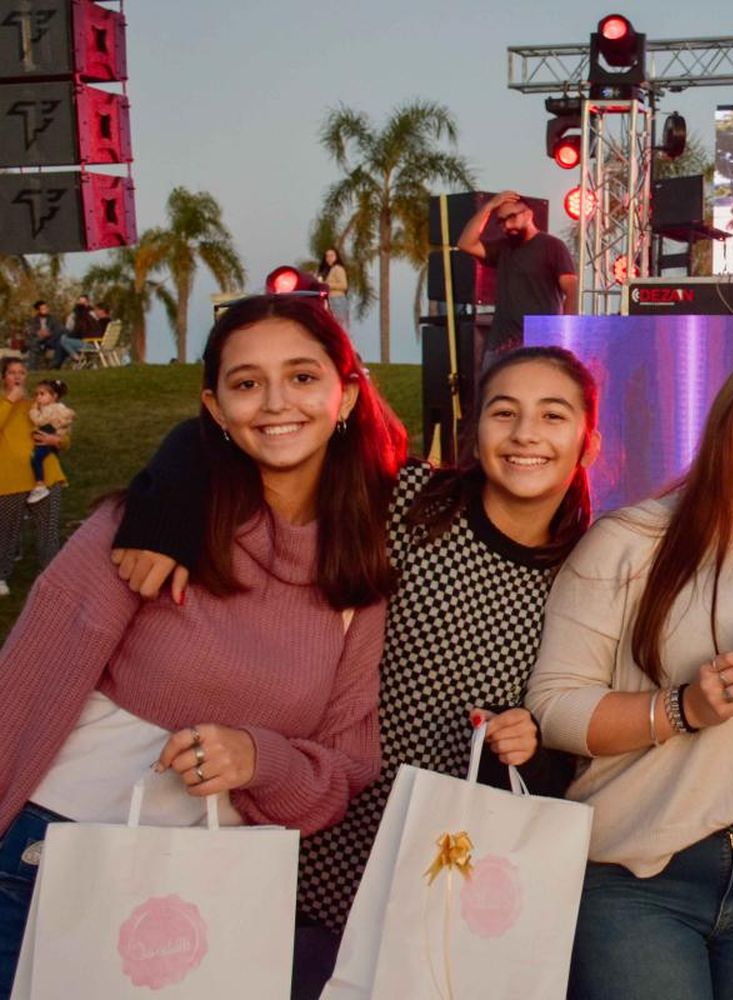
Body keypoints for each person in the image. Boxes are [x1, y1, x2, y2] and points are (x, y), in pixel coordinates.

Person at [107, 346, 602, 997]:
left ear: (588, 444)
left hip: (449, 877)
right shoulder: (406, 501)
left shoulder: (589, 569)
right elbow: (267, 446)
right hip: (314, 845)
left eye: (553, 416)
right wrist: (163, 498)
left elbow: (578, 713)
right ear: (473, 433)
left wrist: (531, 741)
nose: (526, 434)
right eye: (503, 412)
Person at [0, 294, 408, 993]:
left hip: (214, 892)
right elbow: (21, 690)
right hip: (52, 859)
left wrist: (258, 757)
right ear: (216, 410)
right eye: (246, 383)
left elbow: (342, 771)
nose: (276, 402)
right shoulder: (149, 527)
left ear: (345, 396)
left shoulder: (357, 573)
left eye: (303, 377)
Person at [526, 338, 733, 1000]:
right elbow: (554, 708)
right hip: (639, 879)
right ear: (732, 404)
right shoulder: (628, 542)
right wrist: (681, 709)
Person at [456, 190, 577, 365]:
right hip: (500, 345)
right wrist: (489, 206)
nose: (507, 225)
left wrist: (563, 334)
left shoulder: (552, 246)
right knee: (492, 390)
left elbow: (571, 288)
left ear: (528, 214)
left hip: (537, 343)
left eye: (512, 217)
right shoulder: (503, 249)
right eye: (502, 221)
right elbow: (465, 243)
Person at [0, 358, 68, 597]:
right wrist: (9, 401)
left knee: (48, 531)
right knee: (6, 531)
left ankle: (52, 578)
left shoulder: (37, 405)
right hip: (9, 479)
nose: (17, 377)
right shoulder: (3, 403)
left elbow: (62, 432)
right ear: (3, 378)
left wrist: (57, 441)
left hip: (46, 475)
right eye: (11, 373)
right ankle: (1, 575)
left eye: (21, 372)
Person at [25, 378, 72, 504]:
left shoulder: (51, 409)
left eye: (42, 394)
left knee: (36, 458)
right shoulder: (55, 407)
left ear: (54, 396)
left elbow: (39, 421)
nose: (38, 398)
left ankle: (40, 484)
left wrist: (33, 410)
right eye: (36, 394)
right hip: (50, 436)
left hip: (49, 436)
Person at [24, 301, 81, 370]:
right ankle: (32, 368)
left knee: (60, 341)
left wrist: (50, 333)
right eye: (43, 309)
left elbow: (60, 328)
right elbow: (29, 330)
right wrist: (38, 332)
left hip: (50, 339)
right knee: (34, 343)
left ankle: (54, 365)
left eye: (46, 308)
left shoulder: (52, 318)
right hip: (38, 339)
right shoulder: (33, 320)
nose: (46, 310)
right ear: (38, 310)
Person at [317, 247, 351, 326]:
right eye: (327, 256)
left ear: (336, 257)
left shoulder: (338, 268)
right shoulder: (328, 270)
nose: (329, 258)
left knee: (340, 326)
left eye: (331, 256)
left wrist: (327, 285)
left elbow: (344, 285)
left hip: (337, 300)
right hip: (330, 300)